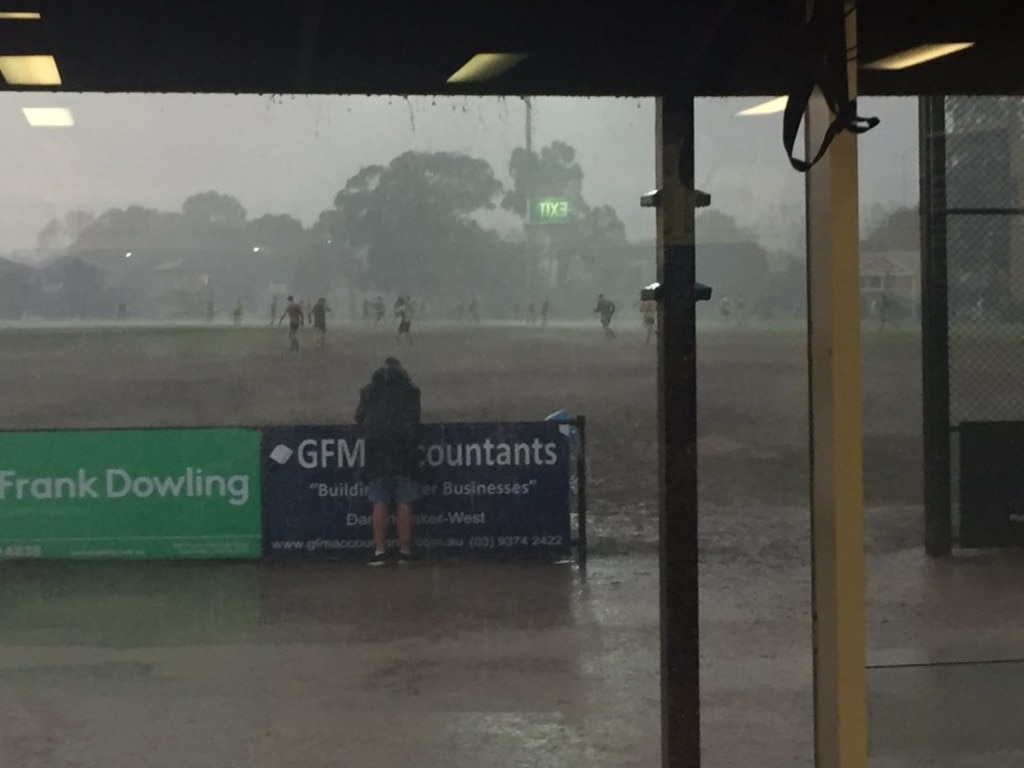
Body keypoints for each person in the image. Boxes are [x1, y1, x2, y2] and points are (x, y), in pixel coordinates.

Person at [355, 357, 422, 566]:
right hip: (404, 452)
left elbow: (359, 418)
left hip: (376, 453)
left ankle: (380, 552)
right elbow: (415, 420)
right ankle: (404, 551)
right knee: (404, 502)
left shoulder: (368, 392)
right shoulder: (411, 392)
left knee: (379, 502)